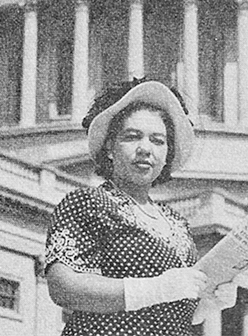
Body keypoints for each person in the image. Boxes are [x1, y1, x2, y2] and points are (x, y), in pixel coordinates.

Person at [44, 79, 236, 336]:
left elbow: (173, 312)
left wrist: (209, 301)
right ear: (110, 147)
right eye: (132, 137)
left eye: (158, 141)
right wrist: (154, 288)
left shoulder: (176, 223)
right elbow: (64, 287)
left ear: (168, 153)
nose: (145, 149)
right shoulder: (87, 204)